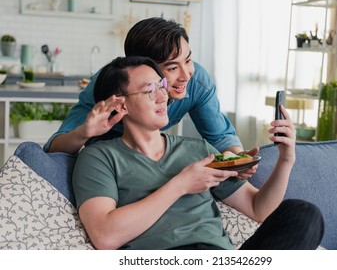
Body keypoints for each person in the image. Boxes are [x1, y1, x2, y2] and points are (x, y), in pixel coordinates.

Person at [72, 56, 324, 250]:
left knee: (304, 214)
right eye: (150, 90)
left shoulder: (198, 149)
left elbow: (258, 209)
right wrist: (181, 184)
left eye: (162, 85)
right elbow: (104, 236)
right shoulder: (98, 157)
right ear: (121, 104)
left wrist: (286, 159)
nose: (163, 96)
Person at [44, 17, 259, 179]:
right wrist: (84, 133)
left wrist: (239, 160)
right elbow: (54, 149)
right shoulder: (105, 87)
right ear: (144, 69)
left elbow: (221, 137)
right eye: (173, 67)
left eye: (188, 60)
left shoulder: (198, 82)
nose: (186, 75)